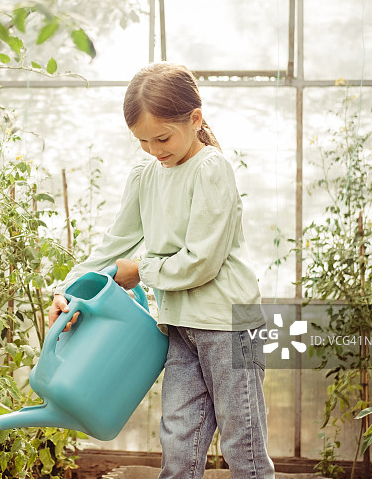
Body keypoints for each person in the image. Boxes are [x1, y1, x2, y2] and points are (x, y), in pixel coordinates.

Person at [48, 62, 275, 479]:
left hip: (232, 320)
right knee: (178, 440)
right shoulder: (146, 175)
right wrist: (68, 290)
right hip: (181, 323)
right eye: (142, 141)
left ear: (195, 118)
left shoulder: (211, 169)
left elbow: (201, 262)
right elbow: (113, 246)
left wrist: (142, 270)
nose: (154, 149)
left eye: (163, 137)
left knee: (242, 442)